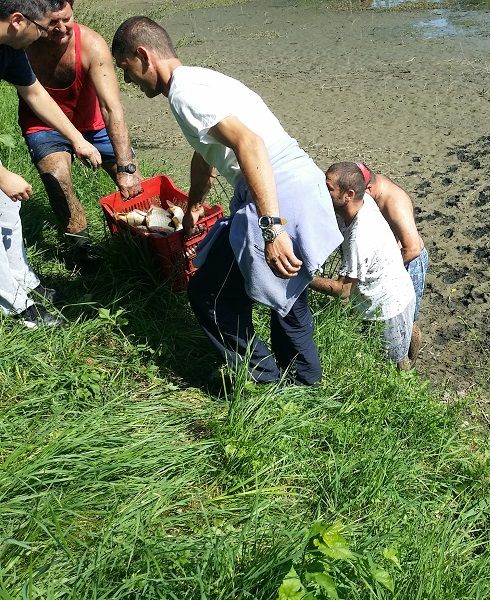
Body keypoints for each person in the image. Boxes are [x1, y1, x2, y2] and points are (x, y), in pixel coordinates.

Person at [111, 16, 342, 386]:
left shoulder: (184, 94)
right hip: (302, 181)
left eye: (126, 68)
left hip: (277, 189)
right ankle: (304, 382)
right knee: (288, 291)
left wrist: (271, 228)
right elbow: (206, 153)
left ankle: (265, 383)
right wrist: (194, 205)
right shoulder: (200, 79)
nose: (127, 80)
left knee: (210, 295)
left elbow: (250, 144)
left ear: (143, 55)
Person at [0, 0, 101, 328]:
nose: (46, 35)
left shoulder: (10, 46)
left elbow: (35, 94)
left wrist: (77, 139)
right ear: (18, 20)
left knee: (7, 207)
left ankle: (24, 282)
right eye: (42, 28)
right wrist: (2, 175)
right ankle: (17, 307)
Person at [19, 0, 142, 265]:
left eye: (67, 19)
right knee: (57, 177)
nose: (62, 28)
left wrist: (126, 166)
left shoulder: (91, 44)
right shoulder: (24, 44)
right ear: (36, 19)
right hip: (43, 123)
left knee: (134, 181)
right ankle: (82, 248)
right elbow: (32, 95)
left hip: (94, 124)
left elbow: (111, 107)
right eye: (53, 22)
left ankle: (144, 241)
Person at [310, 162, 416, 370]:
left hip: (386, 310)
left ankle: (407, 375)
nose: (322, 191)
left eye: (329, 188)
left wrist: (304, 278)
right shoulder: (363, 201)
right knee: (406, 332)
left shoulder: (360, 236)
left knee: (391, 366)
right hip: (395, 291)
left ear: (348, 195)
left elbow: (343, 290)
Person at [355, 162, 426, 362]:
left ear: (369, 188)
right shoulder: (374, 189)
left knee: (408, 320)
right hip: (393, 257)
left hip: (409, 261)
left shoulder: (394, 202)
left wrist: (388, 266)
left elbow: (412, 248)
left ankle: (410, 363)